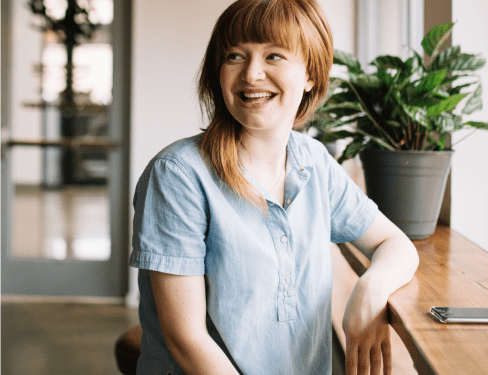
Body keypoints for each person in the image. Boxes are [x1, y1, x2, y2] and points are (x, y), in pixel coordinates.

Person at [129, 0, 419, 374]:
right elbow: (186, 339)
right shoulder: (177, 175)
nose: (251, 74)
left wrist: (370, 290)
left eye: (274, 56)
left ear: (311, 74)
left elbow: (395, 245)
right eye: (234, 56)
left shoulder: (313, 161)